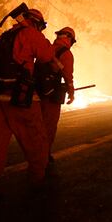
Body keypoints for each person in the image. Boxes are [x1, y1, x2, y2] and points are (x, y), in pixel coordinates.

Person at [0, 8, 54, 201]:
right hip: (20, 98)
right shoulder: (31, 34)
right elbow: (46, 55)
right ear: (36, 23)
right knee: (35, 137)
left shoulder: (5, 36)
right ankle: (38, 180)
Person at [37, 27, 76, 165]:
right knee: (49, 126)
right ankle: (43, 156)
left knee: (38, 125)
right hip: (52, 96)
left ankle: (37, 154)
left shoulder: (48, 49)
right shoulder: (66, 53)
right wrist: (71, 92)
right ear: (69, 39)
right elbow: (68, 76)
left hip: (38, 93)